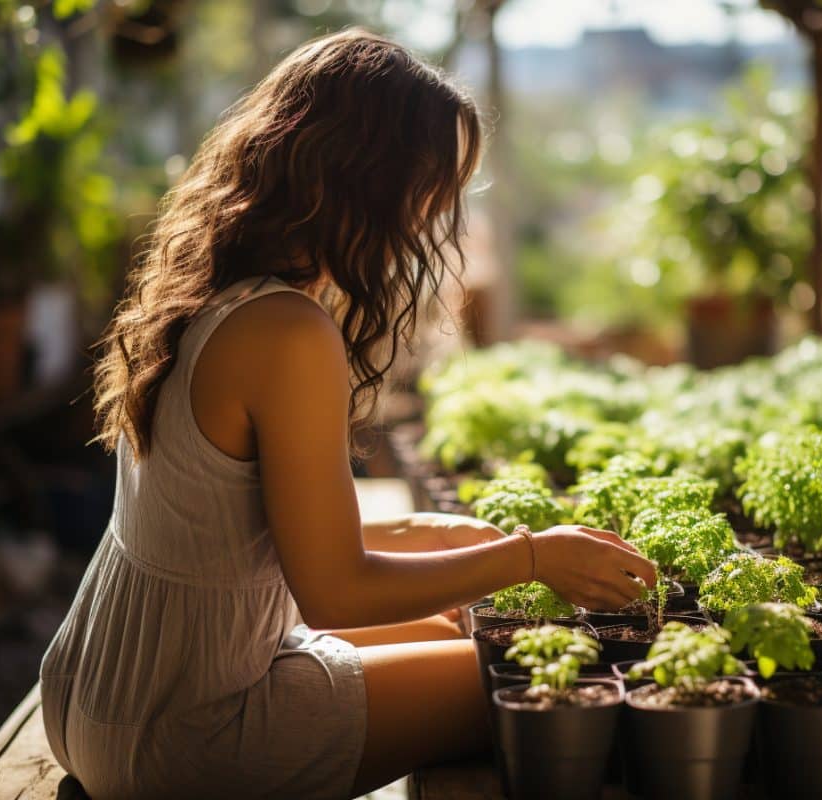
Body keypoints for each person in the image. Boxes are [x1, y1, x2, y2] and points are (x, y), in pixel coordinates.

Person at [40, 29, 656, 800]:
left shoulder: (219, 296)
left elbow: (238, 533)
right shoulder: (288, 331)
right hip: (183, 733)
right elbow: (335, 591)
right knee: (535, 673)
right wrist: (532, 557)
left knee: (452, 628)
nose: (436, 211)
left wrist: (427, 533)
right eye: (433, 182)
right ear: (367, 175)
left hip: (98, 691)